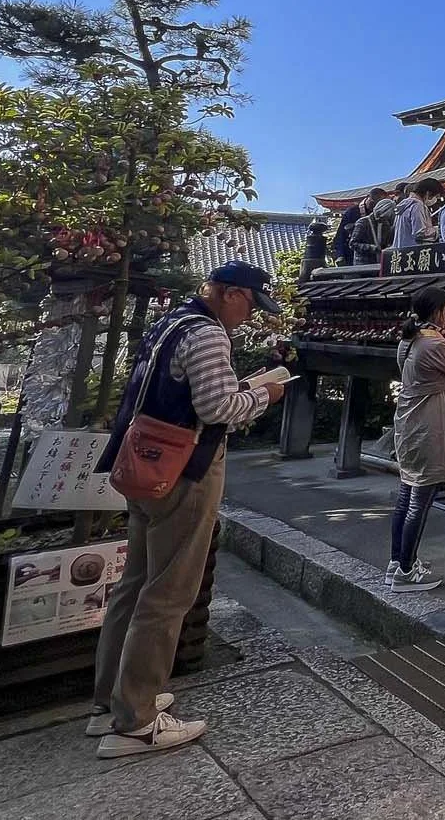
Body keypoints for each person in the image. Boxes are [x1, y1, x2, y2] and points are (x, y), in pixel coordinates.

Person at [91, 263, 286, 757]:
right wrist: (265, 393)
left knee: (134, 584)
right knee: (169, 592)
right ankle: (135, 720)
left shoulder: (170, 323)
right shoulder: (208, 335)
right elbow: (218, 409)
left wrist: (244, 386)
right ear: (230, 294)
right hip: (184, 471)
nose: (249, 316)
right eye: (249, 303)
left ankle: (110, 700)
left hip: (142, 465)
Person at [387, 286, 445, 592]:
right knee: (419, 503)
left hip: (409, 423)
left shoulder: (409, 339)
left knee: (405, 496)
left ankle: (397, 561)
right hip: (430, 426)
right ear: (439, 312)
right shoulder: (435, 343)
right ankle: (406, 570)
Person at [394, 177, 444, 249]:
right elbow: (419, 233)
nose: (434, 199)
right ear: (428, 193)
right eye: (435, 196)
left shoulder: (405, 204)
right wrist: (438, 230)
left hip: (402, 249)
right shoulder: (417, 205)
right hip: (414, 251)